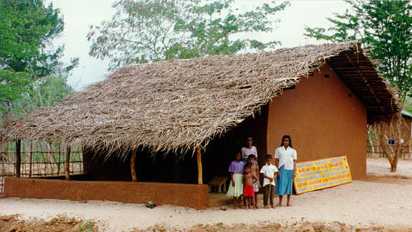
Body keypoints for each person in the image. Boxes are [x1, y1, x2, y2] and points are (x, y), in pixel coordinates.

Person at [275, 135, 297, 207]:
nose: (286, 142)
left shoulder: (293, 151)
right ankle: (280, 202)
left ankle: (288, 202)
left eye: (287, 140)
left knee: (289, 186)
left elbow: (294, 162)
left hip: (290, 169)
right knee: (281, 185)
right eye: (284, 140)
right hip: (282, 168)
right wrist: (277, 170)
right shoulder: (278, 149)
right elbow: (276, 160)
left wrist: (294, 171)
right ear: (282, 141)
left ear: (289, 141)